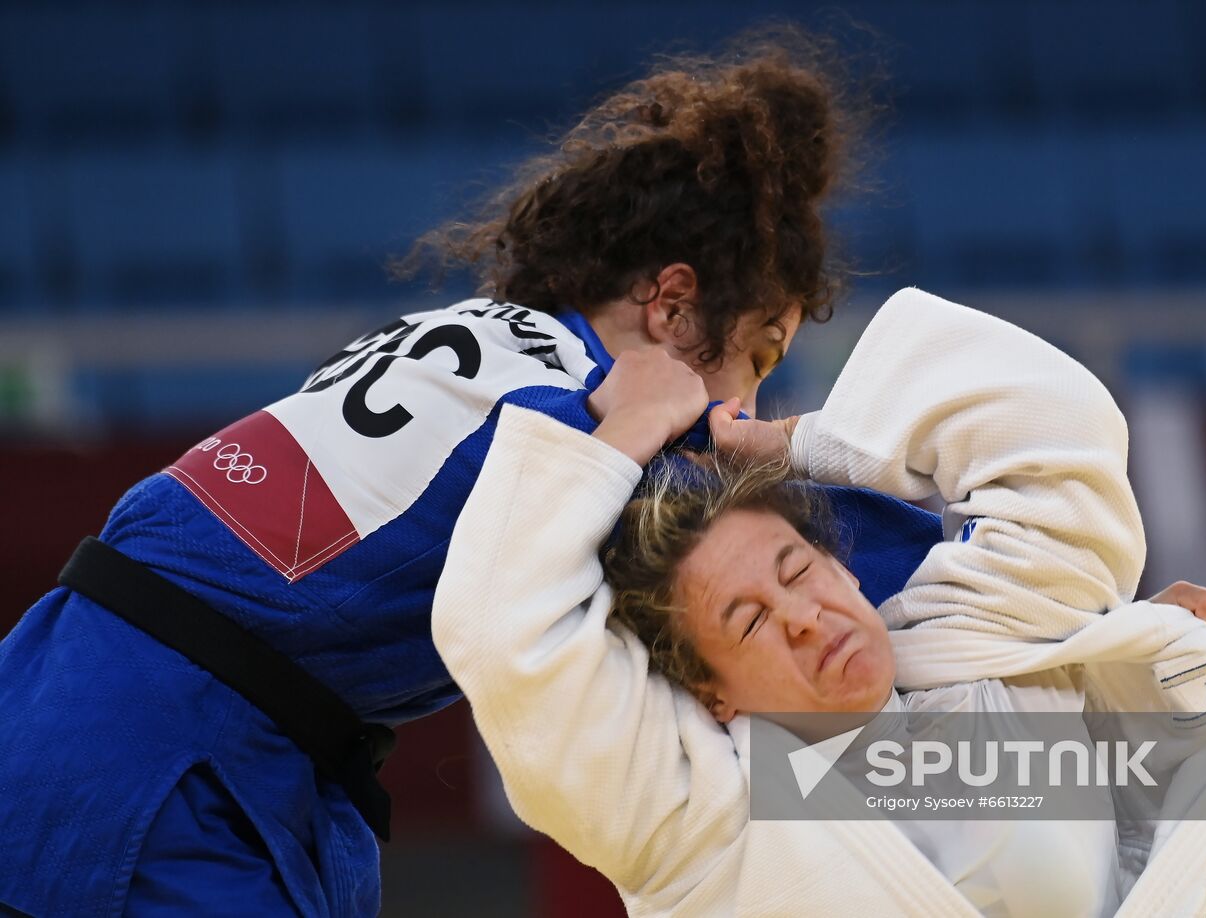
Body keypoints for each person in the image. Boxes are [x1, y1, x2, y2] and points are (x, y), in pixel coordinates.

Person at [0, 34, 924, 918]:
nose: (750, 410)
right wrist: (1056, 765)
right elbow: (860, 571)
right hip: (162, 757)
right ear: (674, 306)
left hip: (69, 682)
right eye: (756, 359)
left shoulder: (470, 337)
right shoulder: (588, 418)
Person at [431, 288, 1206, 916]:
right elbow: (503, 638)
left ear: (845, 570)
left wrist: (790, 443)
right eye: (748, 621)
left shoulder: (978, 650)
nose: (804, 617)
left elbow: (1055, 424)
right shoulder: (701, 824)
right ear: (712, 695)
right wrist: (623, 432)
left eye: (797, 572)